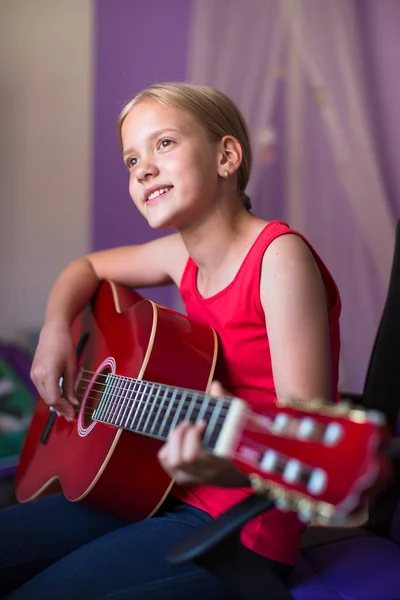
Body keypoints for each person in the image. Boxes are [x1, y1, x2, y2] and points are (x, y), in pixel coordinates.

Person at [0, 82, 341, 599]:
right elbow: (86, 266)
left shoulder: (278, 258)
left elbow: (307, 446)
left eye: (164, 144)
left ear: (226, 156)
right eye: (131, 158)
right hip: (157, 487)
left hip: (242, 529)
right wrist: (54, 330)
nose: (142, 168)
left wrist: (221, 465)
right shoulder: (178, 256)